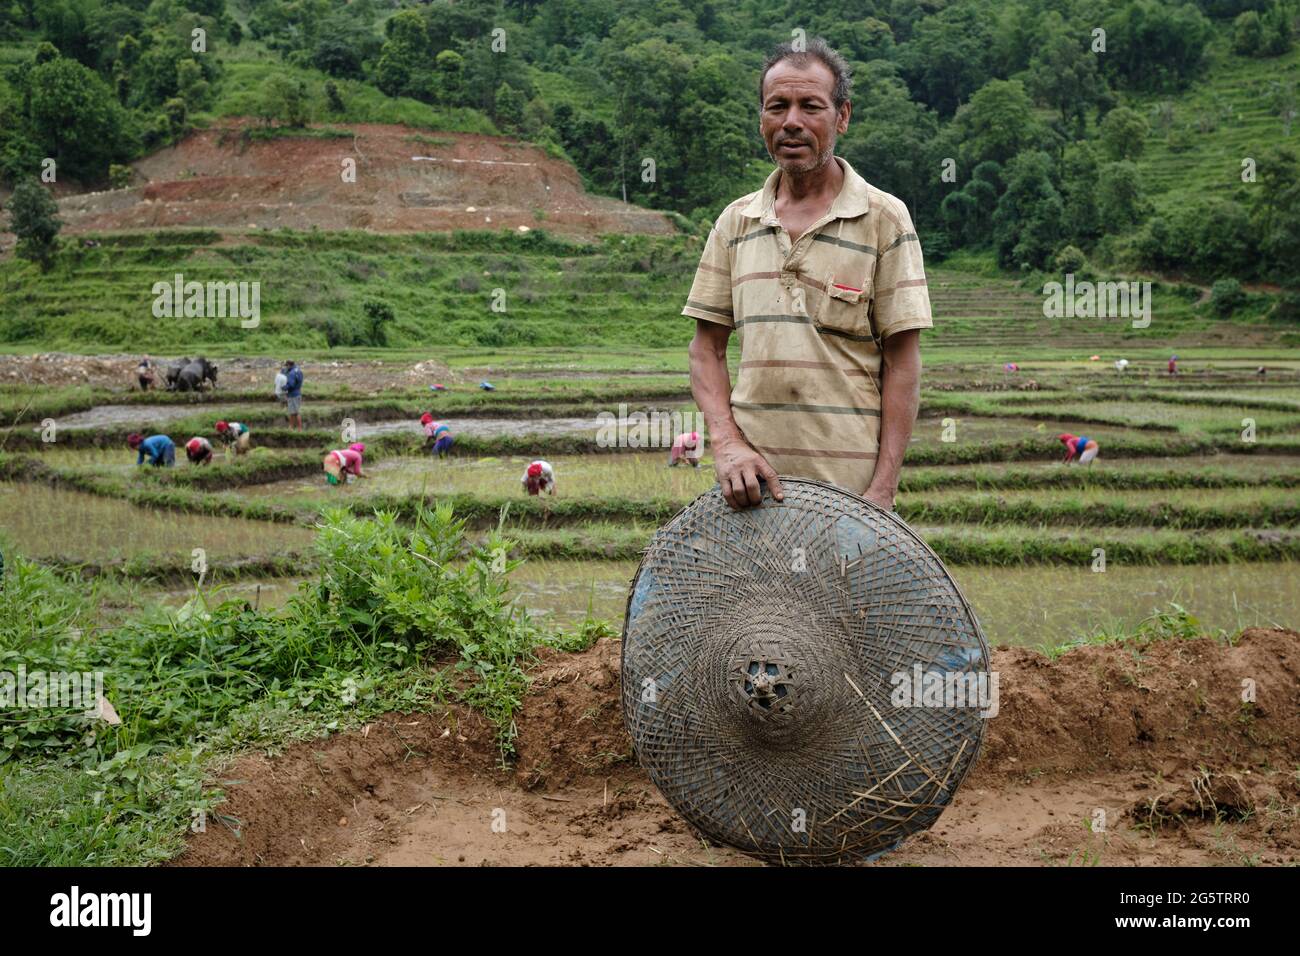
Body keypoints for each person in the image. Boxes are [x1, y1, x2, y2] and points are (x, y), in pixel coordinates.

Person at [682, 38, 930, 511]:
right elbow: (706, 351)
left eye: (810, 106)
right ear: (761, 120)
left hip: (850, 495)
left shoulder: (884, 219)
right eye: (778, 106)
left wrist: (882, 490)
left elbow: (903, 364)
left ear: (842, 116)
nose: (791, 121)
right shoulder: (735, 222)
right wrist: (728, 444)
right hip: (749, 497)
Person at [284, 359, 304, 430]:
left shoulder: (292, 373)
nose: (286, 367)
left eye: (287, 366)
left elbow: (291, 385)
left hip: (293, 395)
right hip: (298, 393)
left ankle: (299, 428)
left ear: (289, 365)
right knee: (292, 412)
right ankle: (291, 427)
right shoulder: (298, 370)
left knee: (296, 412)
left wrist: (284, 387)